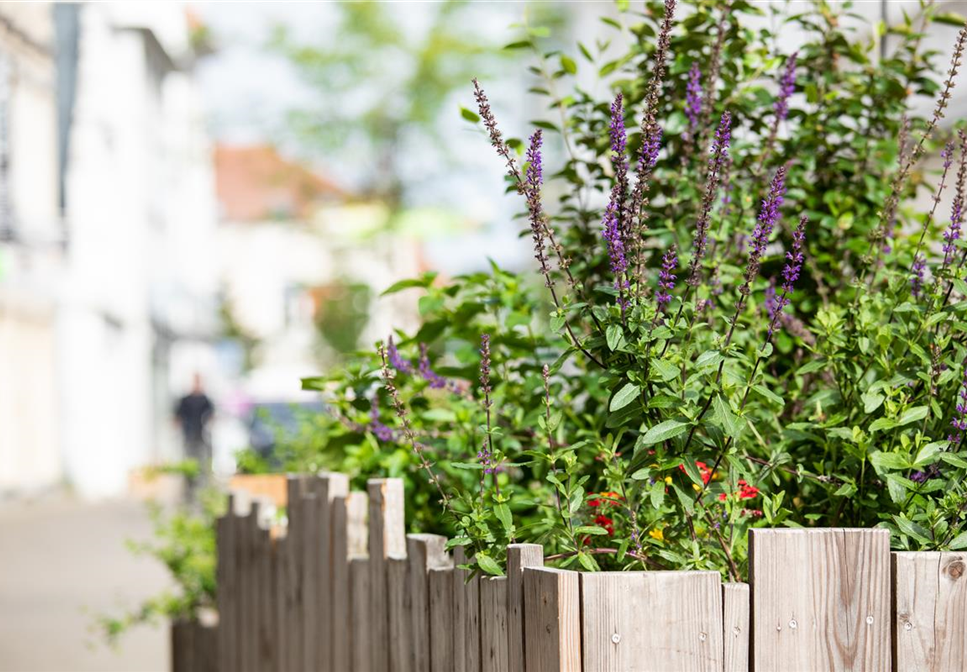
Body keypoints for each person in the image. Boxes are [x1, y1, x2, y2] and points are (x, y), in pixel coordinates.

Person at [174, 374, 214, 503]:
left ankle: (203, 496)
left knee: (203, 469)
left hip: (202, 438)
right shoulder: (185, 400)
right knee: (189, 469)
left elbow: (212, 416)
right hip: (189, 438)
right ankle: (189, 496)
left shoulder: (205, 400)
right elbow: (177, 417)